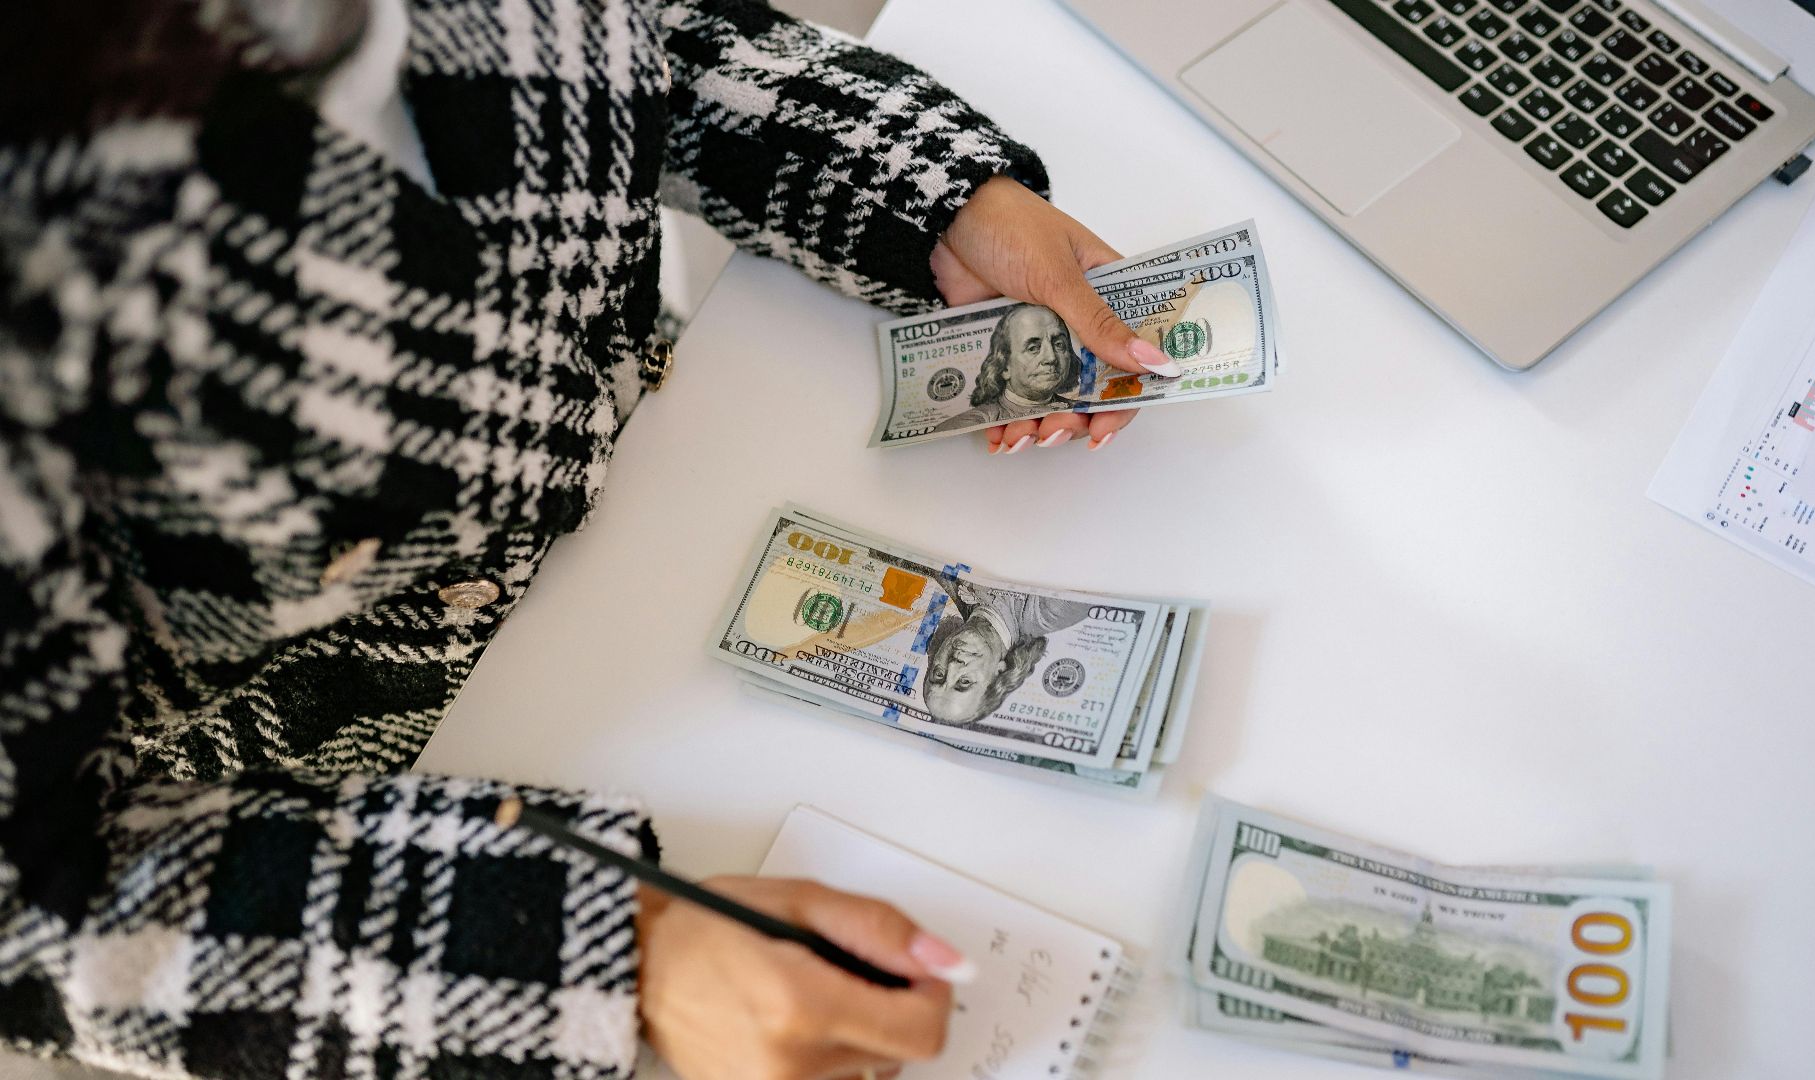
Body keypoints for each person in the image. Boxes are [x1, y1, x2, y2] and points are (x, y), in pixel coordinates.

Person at [0, 1, 1189, 1078]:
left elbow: (648, 39)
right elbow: (29, 901)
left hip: (674, 455)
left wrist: (931, 199)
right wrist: (615, 958)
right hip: (351, 786)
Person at [920, 580, 1093, 727]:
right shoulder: (1049, 613)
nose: (952, 666)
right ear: (1000, 672)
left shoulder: (949, 585)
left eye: (939, 674)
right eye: (964, 681)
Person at [932, 303, 1080, 434]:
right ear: (1004, 366)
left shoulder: (1086, 410)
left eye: (1059, 344)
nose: (1051, 358)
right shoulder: (965, 425)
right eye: (1033, 348)